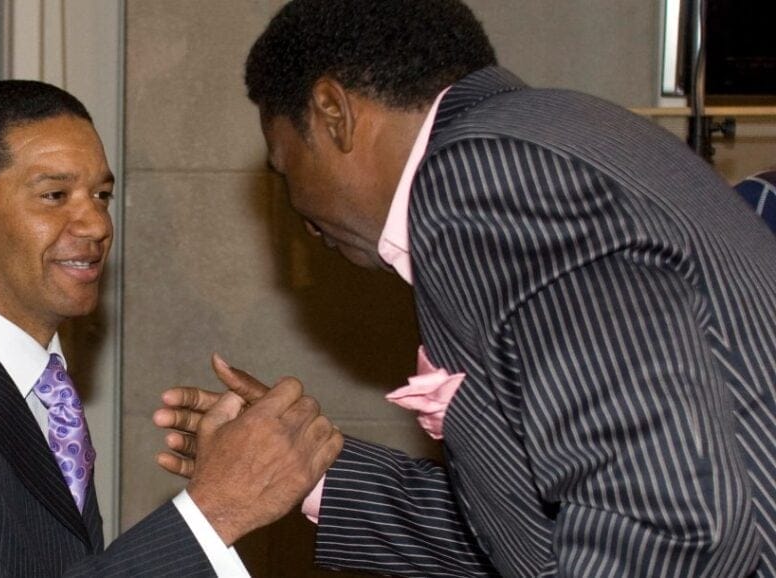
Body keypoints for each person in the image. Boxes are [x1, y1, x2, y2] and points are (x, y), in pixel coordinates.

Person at [154, 0, 776, 576]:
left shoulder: (484, 174)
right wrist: (307, 474)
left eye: (286, 167)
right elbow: (547, 530)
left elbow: (666, 523)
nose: (297, 210)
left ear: (332, 113)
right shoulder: (541, 136)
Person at [0, 80, 343, 577]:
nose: (97, 223)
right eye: (55, 196)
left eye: (102, 195)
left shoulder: (34, 382)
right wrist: (217, 508)